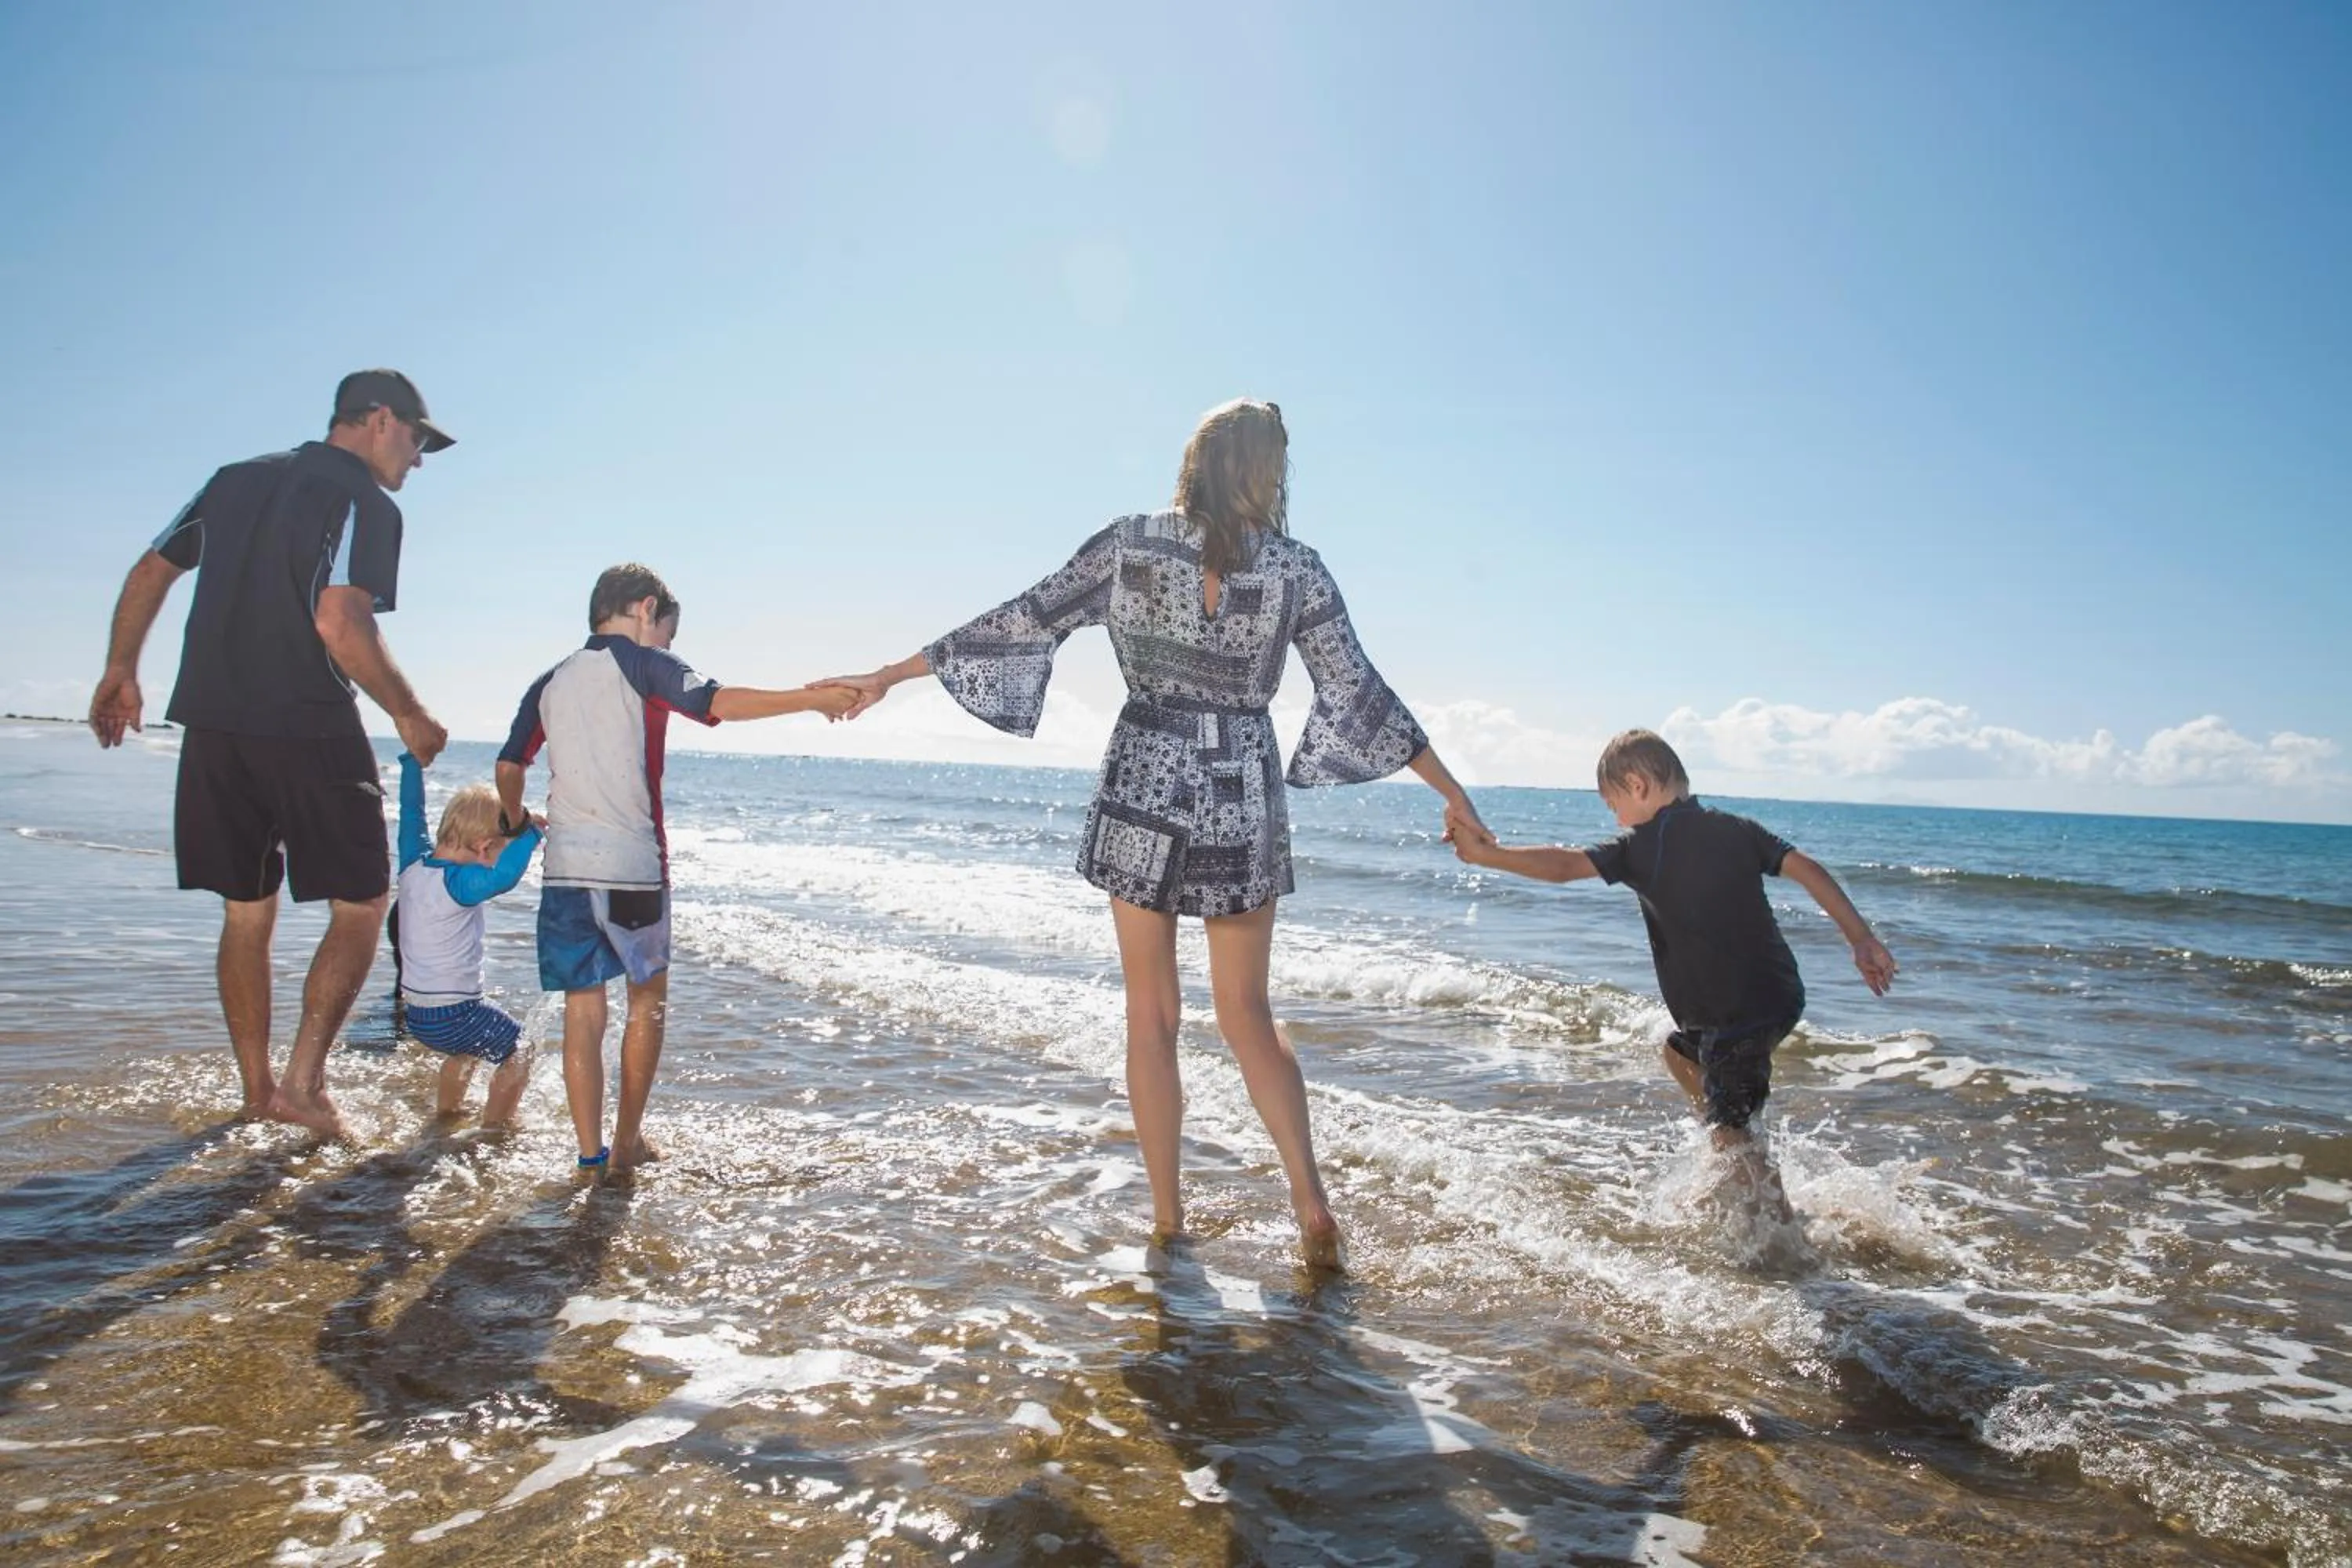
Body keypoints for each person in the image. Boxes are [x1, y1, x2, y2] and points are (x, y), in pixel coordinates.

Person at [822, 398, 1483, 1269]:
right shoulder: (1297, 568)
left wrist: (893, 674)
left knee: (1152, 1015)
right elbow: (1357, 688)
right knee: (1248, 1013)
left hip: (1145, 774)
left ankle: (1170, 1218)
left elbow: (1026, 616)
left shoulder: (1131, 541)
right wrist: (1452, 789)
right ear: (1264, 469)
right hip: (1239, 782)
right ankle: (1310, 1201)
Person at [88, 369, 456, 1139]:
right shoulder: (365, 501)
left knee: (247, 910)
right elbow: (339, 621)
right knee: (361, 903)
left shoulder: (231, 481)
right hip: (309, 719)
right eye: (419, 438)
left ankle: (258, 1088)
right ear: (380, 419)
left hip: (214, 725)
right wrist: (413, 714)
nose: (419, 458)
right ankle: (303, 1085)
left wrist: (121, 668)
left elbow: (152, 566)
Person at [495, 564, 858, 1175]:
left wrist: (514, 822)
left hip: (565, 873)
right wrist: (810, 698)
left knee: (583, 1013)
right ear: (644, 609)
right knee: (647, 1006)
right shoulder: (641, 662)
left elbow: (510, 768)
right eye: (666, 630)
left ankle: (590, 1155)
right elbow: (717, 702)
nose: (666, 643)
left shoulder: (550, 680)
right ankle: (627, 1144)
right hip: (634, 869)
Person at [1446, 729, 1896, 1216]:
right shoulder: (1737, 828)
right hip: (1775, 997)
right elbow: (1808, 868)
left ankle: (1778, 1229)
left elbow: (1565, 867)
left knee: (1732, 1129)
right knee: (1680, 1053)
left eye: (1612, 804)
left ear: (1637, 786)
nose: (1615, 818)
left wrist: (1486, 855)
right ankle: (1733, 1141)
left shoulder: (1647, 843)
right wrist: (1860, 938)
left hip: (1736, 1013)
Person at [394, 753, 544, 1123]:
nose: (495, 861)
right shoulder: (457, 884)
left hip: (418, 1016)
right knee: (522, 1050)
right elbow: (503, 878)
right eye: (497, 852)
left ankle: (447, 1114)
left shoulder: (412, 865)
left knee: (467, 1051)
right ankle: (495, 1128)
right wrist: (531, 836)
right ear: (482, 846)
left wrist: (412, 766)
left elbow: (411, 813)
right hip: (456, 1014)